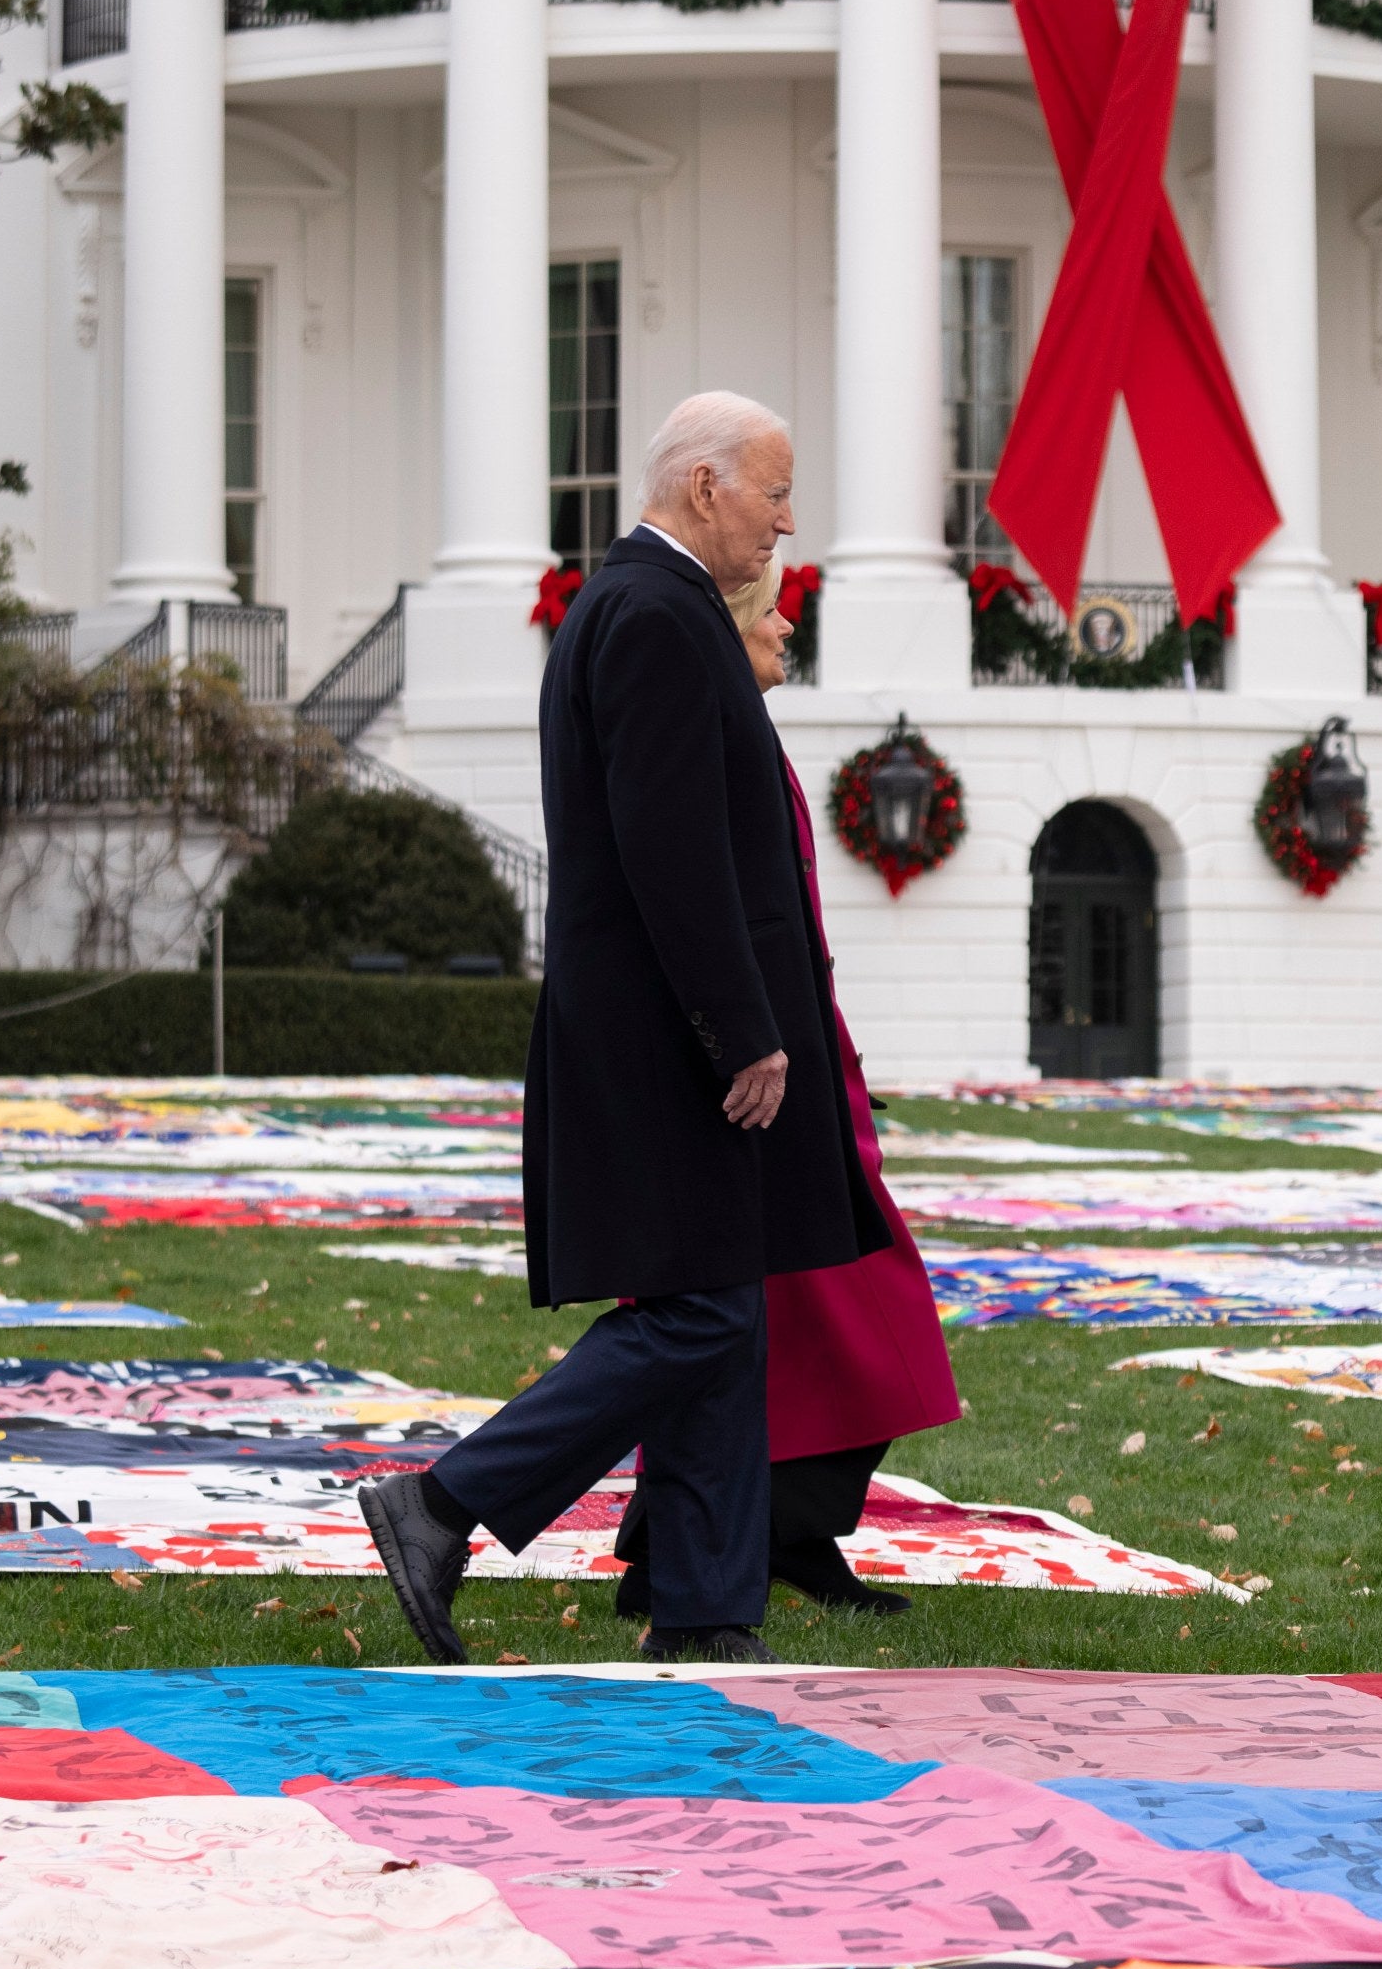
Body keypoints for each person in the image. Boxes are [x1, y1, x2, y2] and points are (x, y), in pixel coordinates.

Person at [357, 394, 885, 1667]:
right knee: (701, 1313)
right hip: (668, 1039)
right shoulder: (653, 615)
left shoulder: (648, 609)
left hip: (662, 1030)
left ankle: (703, 1608)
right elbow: (672, 852)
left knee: (722, 1306)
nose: (786, 521)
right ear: (703, 487)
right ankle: (440, 1502)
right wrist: (740, 1029)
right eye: (771, 493)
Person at [614, 557, 962, 1622]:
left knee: (836, 1320)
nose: (785, 629)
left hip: (798, 1063)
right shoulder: (720, 734)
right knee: (826, 1318)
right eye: (769, 616)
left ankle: (751, 1537)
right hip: (757, 1078)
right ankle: (721, 1544)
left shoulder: (755, 740)